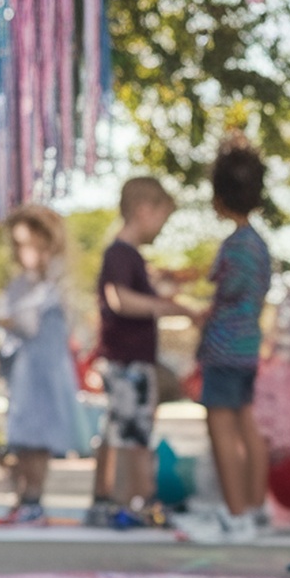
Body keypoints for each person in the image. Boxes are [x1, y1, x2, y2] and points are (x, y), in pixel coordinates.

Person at [90, 176, 199, 526]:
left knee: (118, 429)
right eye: (161, 218)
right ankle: (133, 501)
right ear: (144, 210)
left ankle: (107, 499)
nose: (162, 228)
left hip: (127, 359)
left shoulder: (129, 256)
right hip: (127, 360)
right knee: (133, 432)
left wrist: (166, 286)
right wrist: (173, 307)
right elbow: (119, 298)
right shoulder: (119, 253)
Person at [182, 143, 272, 543]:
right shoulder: (261, 246)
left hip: (223, 351)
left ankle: (235, 515)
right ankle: (253, 507)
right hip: (249, 348)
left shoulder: (234, 247)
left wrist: (203, 312)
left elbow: (224, 294)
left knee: (220, 426)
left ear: (218, 198)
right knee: (248, 425)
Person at [0, 205, 80, 525]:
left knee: (39, 439)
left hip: (45, 374)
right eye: (15, 244)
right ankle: (23, 493)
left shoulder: (54, 285)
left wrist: (6, 318)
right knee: (21, 438)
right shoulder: (20, 284)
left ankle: (33, 496)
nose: (18, 252)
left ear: (45, 245)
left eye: (25, 244)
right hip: (24, 373)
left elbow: (28, 324)